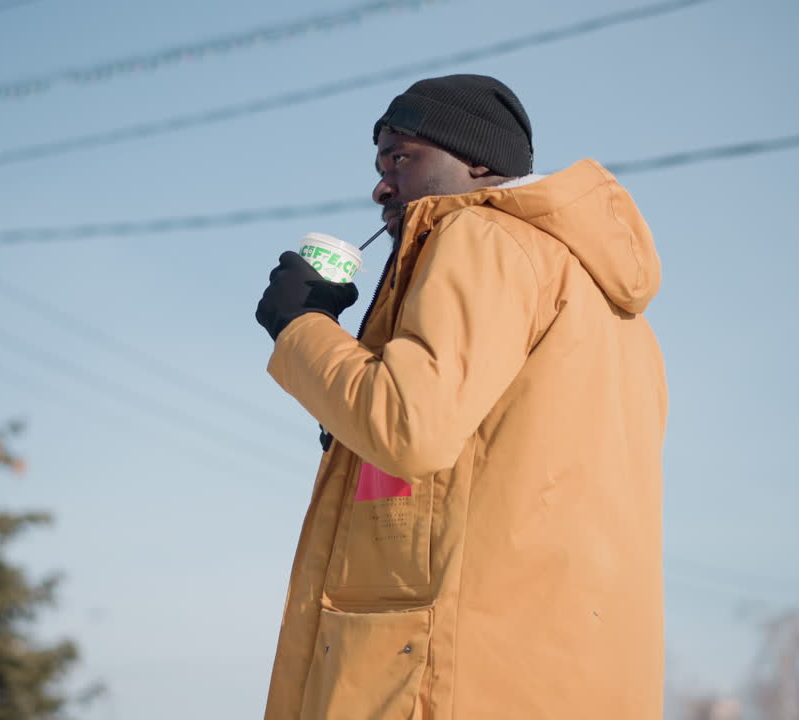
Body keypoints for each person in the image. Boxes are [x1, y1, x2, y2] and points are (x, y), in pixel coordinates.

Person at [254, 74, 667, 719]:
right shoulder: (616, 313)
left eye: (402, 158)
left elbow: (408, 429)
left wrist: (300, 325)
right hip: (564, 674)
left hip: (445, 676)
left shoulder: (480, 240)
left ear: (478, 163)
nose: (382, 185)